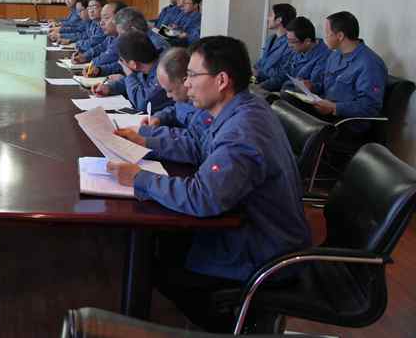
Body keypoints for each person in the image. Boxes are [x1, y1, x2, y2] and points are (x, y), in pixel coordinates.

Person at [108, 36, 311, 332]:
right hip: (255, 230)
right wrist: (145, 141)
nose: (186, 84)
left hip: (262, 250)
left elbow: (203, 198)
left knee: (156, 262)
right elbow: (197, 145)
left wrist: (140, 178)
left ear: (222, 80)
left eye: (192, 75)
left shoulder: (242, 131)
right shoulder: (242, 107)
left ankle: (234, 327)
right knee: (160, 243)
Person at [307, 11, 387, 161]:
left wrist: (334, 107)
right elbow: (326, 85)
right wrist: (312, 87)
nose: (324, 37)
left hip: (347, 123)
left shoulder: (369, 63)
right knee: (288, 98)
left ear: (340, 36)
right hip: (326, 112)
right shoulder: (334, 55)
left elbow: (370, 106)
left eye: (327, 33)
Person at [138, 46, 212, 148]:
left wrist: (152, 133)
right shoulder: (185, 98)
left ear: (186, 81)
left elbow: (192, 141)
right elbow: (176, 109)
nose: (168, 95)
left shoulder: (205, 107)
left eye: (170, 90)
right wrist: (159, 118)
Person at [90, 31, 171, 113]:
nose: (121, 63)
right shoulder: (146, 62)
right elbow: (136, 81)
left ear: (133, 64)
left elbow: (142, 103)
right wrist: (110, 87)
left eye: (122, 61)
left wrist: (129, 73)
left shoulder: (164, 72)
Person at [260, 16, 329, 92]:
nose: (289, 45)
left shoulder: (324, 57)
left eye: (292, 42)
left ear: (307, 41)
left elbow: (313, 87)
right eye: (288, 40)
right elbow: (283, 74)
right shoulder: (298, 50)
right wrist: (261, 87)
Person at [254, 3, 297, 83]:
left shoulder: (290, 44)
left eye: (271, 15)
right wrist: (253, 69)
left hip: (271, 85)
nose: (268, 18)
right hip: (258, 81)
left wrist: (260, 72)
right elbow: (262, 61)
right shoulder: (271, 38)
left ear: (279, 20)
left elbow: (283, 73)